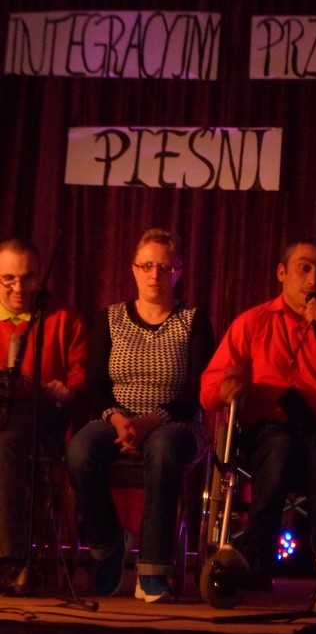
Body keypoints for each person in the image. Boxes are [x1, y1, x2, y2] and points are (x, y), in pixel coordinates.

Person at [200, 234, 316, 590]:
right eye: (304, 268)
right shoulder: (253, 322)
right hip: (267, 436)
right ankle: (254, 551)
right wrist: (228, 386)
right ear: (281, 272)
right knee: (280, 443)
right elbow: (209, 389)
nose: (314, 279)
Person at [66, 229, 215, 603]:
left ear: (178, 272)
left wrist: (152, 421)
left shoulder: (193, 320)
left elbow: (196, 389)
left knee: (162, 449)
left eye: (164, 267)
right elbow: (96, 384)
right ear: (133, 269)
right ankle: (108, 544)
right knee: (79, 451)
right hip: (117, 418)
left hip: (176, 423)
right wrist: (118, 420)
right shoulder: (111, 317)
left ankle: (152, 571)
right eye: (146, 266)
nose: (154, 274)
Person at [0, 237, 88, 592]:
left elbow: (81, 378)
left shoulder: (63, 318)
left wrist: (66, 389)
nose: (18, 287)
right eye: (8, 279)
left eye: (27, 278)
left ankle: (10, 563)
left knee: (6, 443)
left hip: (42, 415)